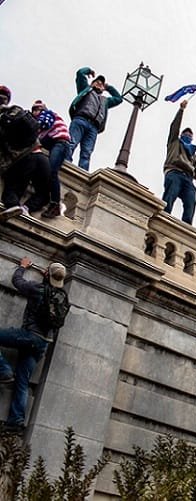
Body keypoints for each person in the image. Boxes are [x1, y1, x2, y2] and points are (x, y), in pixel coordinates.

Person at [0, 257, 68, 434]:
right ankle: (15, 422)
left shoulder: (38, 289)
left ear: (47, 275)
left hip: (29, 335)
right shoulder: (62, 297)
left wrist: (22, 267)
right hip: (43, 343)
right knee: (22, 381)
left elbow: (18, 282)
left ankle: (4, 370)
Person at [67, 67, 122, 170]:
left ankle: (82, 171)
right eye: (97, 82)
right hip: (81, 119)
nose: (99, 84)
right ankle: (65, 162)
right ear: (92, 84)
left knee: (87, 152)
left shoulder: (105, 100)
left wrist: (108, 87)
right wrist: (89, 71)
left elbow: (119, 99)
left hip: (94, 127)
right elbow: (80, 73)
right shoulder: (85, 89)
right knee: (71, 143)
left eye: (101, 84)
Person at [162, 100, 196, 224]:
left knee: (191, 197)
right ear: (181, 135)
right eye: (186, 134)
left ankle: (187, 224)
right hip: (174, 172)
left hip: (188, 178)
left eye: (190, 135)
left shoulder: (193, 154)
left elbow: (195, 168)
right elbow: (174, 126)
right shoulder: (174, 142)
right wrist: (181, 110)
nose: (188, 136)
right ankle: (164, 215)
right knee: (171, 193)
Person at [31, 100, 70, 218]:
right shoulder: (44, 130)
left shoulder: (47, 114)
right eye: (35, 110)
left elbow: (43, 124)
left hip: (61, 143)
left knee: (52, 171)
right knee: (47, 171)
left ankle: (55, 204)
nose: (36, 113)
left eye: (38, 110)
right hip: (56, 144)